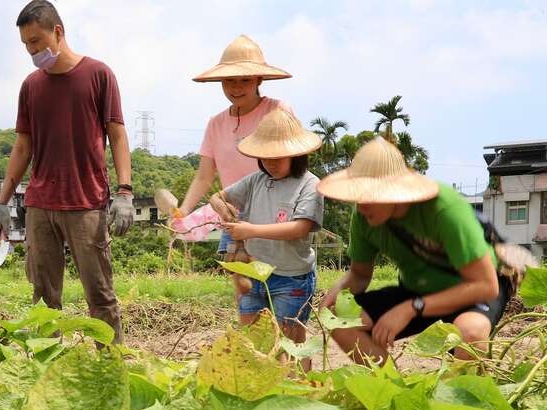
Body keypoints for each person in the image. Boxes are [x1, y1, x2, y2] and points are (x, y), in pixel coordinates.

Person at [0, 0, 134, 343]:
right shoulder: (31, 86)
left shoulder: (98, 74)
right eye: (26, 44)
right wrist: (2, 202)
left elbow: (116, 133)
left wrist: (125, 191)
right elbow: (22, 147)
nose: (32, 50)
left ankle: (111, 365)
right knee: (43, 297)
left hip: (86, 203)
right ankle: (46, 367)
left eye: (36, 42)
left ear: (58, 32)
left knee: (99, 294)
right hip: (40, 204)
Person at [318, 137, 512, 364]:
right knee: (342, 321)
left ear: (394, 191)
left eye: (368, 194)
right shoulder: (363, 216)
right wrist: (332, 298)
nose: (360, 206)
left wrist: (410, 309)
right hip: (417, 290)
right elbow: (360, 275)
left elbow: (486, 286)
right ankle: (388, 390)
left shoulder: (444, 208)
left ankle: (464, 396)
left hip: (468, 291)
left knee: (471, 333)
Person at [180, 35, 293, 297]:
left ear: (259, 80)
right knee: (246, 294)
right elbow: (204, 176)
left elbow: (293, 159)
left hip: (275, 215)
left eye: (245, 79)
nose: (236, 87)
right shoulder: (216, 124)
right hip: (234, 217)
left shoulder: (276, 111)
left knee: (281, 288)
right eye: (230, 79)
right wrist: (184, 210)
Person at [213, 109, 323, 369]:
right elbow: (218, 197)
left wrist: (251, 230)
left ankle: (303, 396)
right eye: (265, 157)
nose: (271, 163)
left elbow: (300, 227)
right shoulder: (255, 181)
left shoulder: (310, 184)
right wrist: (221, 207)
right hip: (253, 275)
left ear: (296, 154)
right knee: (255, 345)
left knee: (292, 345)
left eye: (278, 157)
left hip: (291, 278)